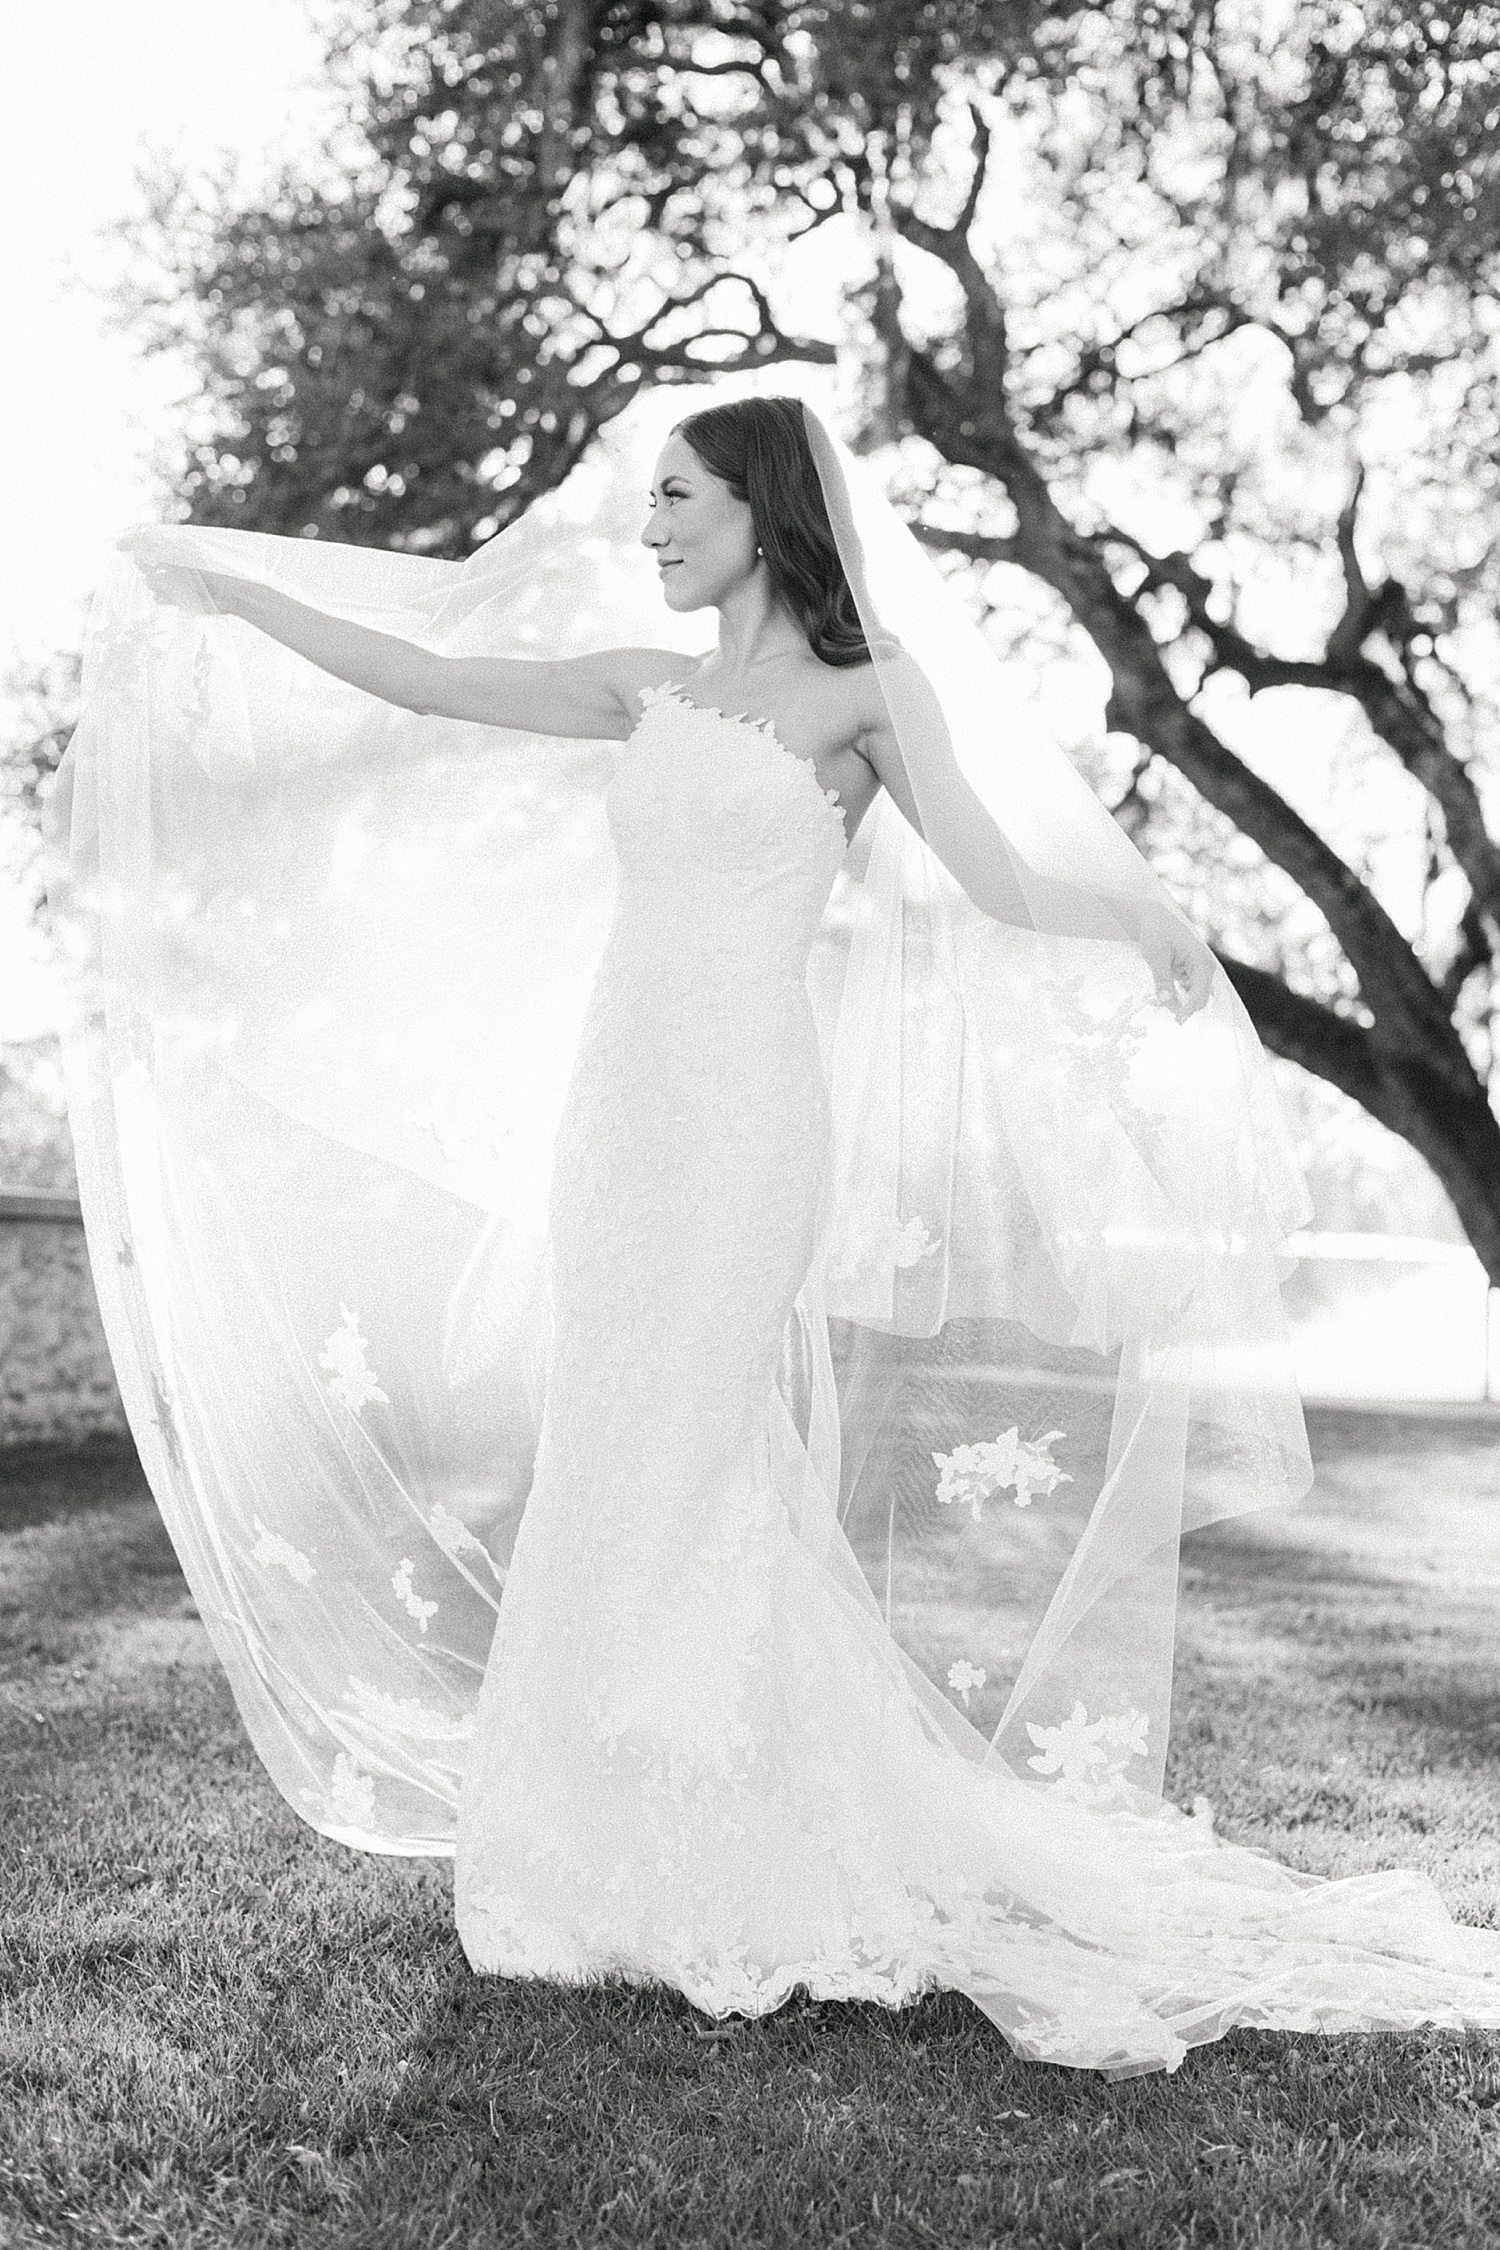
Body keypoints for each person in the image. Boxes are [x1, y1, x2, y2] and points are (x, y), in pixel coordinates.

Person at [45, 386, 1500, 2076]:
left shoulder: (867, 696)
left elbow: (994, 873)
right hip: (620, 1114)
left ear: (760, 507)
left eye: (677, 499)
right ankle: (594, 1837)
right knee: (604, 1444)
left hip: (744, 1119)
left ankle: (724, 1835)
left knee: (690, 1450)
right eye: (648, 503)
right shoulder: (641, 686)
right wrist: (224, 592)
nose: (652, 527)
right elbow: (425, 670)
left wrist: (1146, 915)